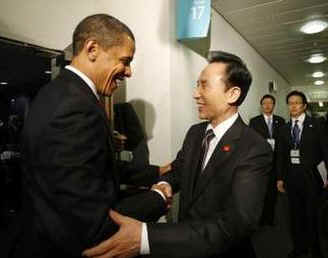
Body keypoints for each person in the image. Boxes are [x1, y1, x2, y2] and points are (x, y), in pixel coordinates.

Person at [83, 51, 273, 258]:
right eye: (197, 84)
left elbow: (238, 224)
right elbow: (179, 170)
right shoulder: (195, 133)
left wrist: (146, 238)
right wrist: (165, 184)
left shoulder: (254, 148)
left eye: (204, 85)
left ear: (232, 94)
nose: (196, 93)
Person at [8, 14, 167, 258]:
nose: (129, 72)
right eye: (125, 61)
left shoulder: (58, 92)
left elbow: (92, 170)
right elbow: (90, 222)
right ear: (92, 48)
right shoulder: (76, 107)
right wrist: (157, 197)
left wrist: (156, 172)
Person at [276, 90, 328, 258]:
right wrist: (279, 178)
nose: (293, 106)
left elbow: (325, 151)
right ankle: (299, 247)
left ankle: (316, 249)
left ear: (304, 106)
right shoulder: (284, 128)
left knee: (312, 214)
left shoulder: (316, 124)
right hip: (291, 178)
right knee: (295, 216)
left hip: (312, 177)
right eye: (290, 103)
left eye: (296, 103)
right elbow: (280, 155)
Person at [249, 94, 285, 226]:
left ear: (274, 105)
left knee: (273, 193)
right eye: (265, 103)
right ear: (261, 105)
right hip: (261, 162)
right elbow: (251, 142)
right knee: (260, 192)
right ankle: (260, 218)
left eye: (270, 103)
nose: (267, 105)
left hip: (276, 162)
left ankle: (270, 218)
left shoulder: (280, 121)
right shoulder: (254, 121)